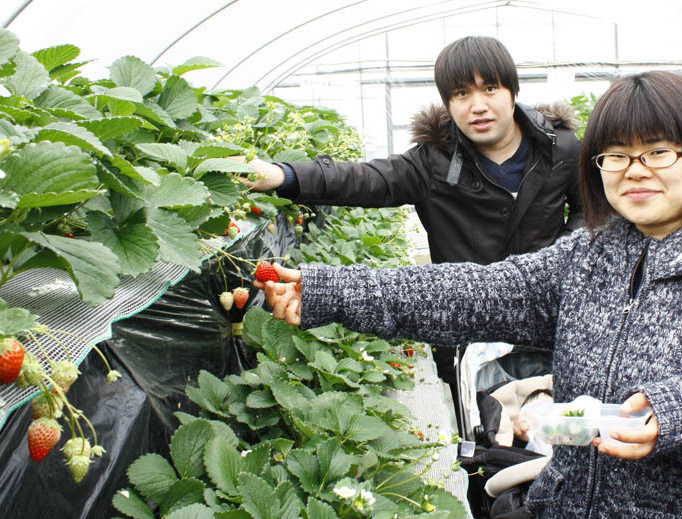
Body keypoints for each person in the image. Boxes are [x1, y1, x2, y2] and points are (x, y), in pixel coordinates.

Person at [255, 70, 682, 519]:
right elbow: (470, 294)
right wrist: (327, 291)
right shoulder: (590, 255)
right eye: (615, 155)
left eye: (657, 151)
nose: (635, 170)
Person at [236, 35, 582, 409]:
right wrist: (282, 175)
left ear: (513, 91)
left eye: (490, 89)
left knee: (557, 417)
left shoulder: (562, 149)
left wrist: (561, 256)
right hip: (463, 328)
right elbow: (364, 179)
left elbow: (590, 209)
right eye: (461, 93)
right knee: (480, 429)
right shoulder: (433, 162)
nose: (478, 105)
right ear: (448, 103)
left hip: (548, 324)